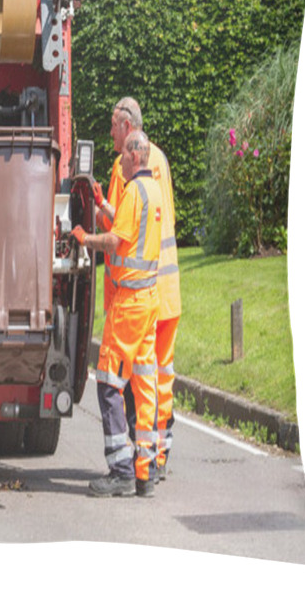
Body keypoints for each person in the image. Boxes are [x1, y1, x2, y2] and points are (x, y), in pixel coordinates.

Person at [92, 98, 181, 480]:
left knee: (124, 378)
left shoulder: (130, 164)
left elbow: (124, 233)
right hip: (161, 289)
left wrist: (93, 228)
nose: (110, 131)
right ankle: (152, 459)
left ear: (127, 128)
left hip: (139, 290)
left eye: (113, 125)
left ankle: (136, 463)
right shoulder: (156, 160)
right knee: (153, 376)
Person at [72, 130, 162, 497]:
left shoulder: (134, 191)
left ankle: (120, 470)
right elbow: (127, 226)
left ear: (134, 157)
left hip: (128, 305)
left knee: (109, 383)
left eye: (124, 156)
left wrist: (84, 238)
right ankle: (146, 470)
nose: (120, 161)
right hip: (149, 300)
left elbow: (114, 240)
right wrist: (103, 205)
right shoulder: (151, 191)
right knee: (143, 384)